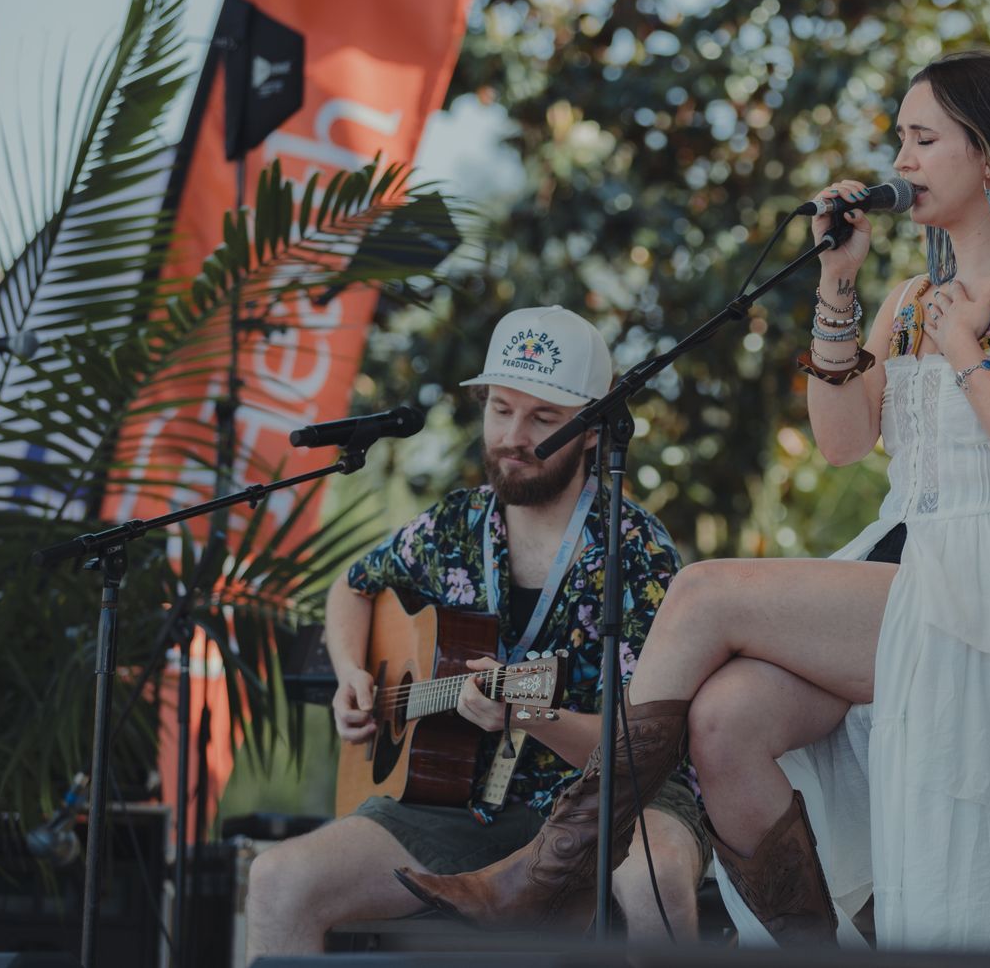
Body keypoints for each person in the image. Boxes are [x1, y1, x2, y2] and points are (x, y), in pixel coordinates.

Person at [397, 49, 990, 951]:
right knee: (724, 721)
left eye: (925, 139)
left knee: (704, 590)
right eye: (900, 138)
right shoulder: (912, 299)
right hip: (910, 559)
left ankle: (549, 869)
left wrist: (970, 355)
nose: (900, 161)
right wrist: (837, 283)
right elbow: (843, 440)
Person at [244, 306, 710, 957]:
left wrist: (530, 715)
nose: (512, 436)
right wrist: (352, 673)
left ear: (593, 430)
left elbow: (645, 748)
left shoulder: (638, 553)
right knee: (277, 880)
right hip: (459, 805)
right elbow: (353, 586)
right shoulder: (454, 525)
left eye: (543, 417)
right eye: (500, 408)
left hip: (616, 801)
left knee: (652, 878)